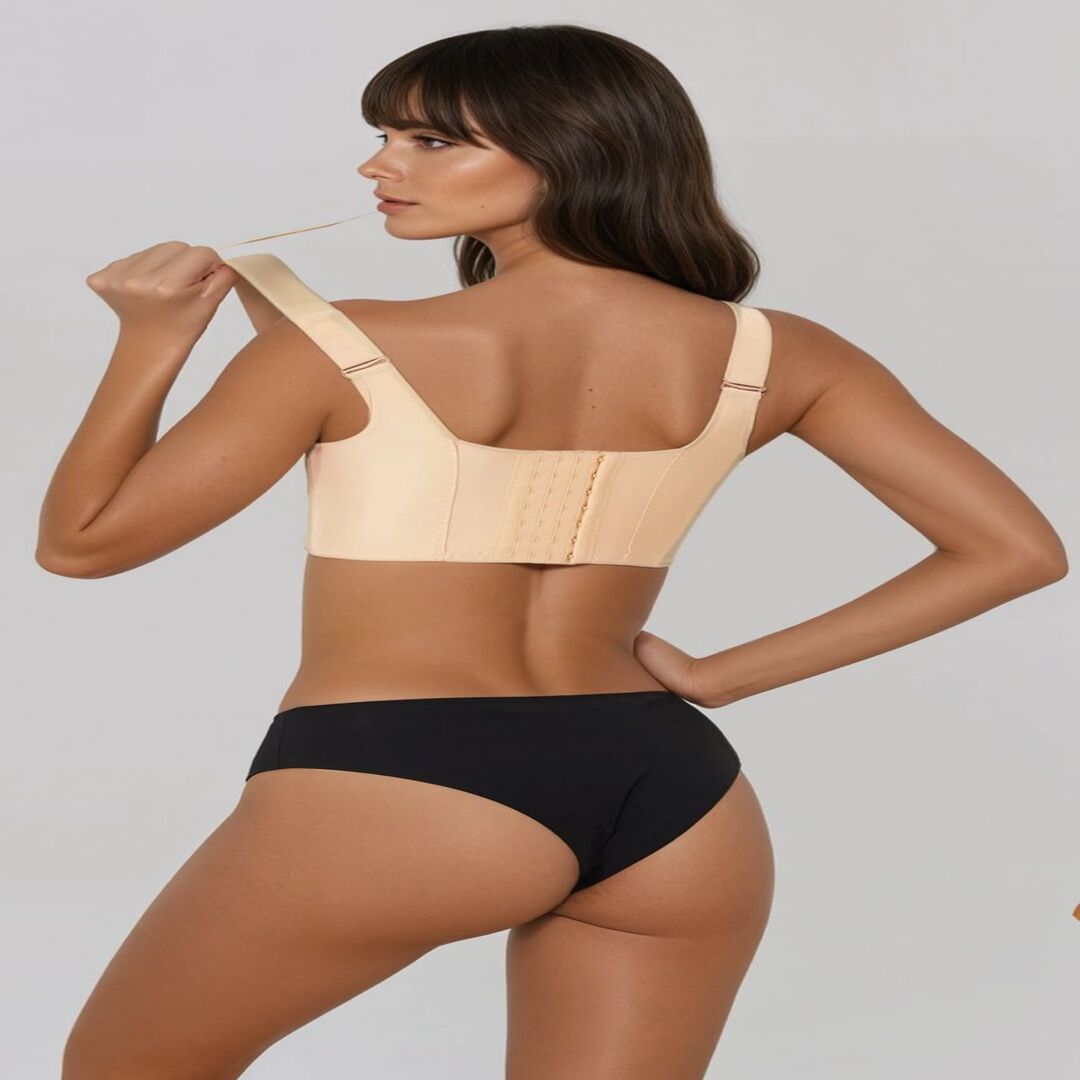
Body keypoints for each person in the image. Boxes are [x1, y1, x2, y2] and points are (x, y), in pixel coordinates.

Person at [36, 24, 1067, 1080]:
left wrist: (151, 340)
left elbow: (84, 543)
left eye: (432, 141)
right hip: (671, 798)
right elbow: (1015, 551)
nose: (377, 167)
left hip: (396, 776)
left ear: (571, 149)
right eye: (385, 136)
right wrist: (721, 678)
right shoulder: (776, 354)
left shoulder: (341, 346)